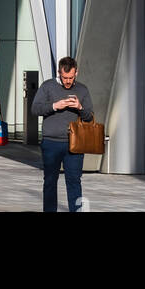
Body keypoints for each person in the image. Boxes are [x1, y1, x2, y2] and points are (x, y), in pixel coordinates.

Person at [30, 56, 94, 212]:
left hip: (74, 144)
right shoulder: (47, 86)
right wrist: (54, 105)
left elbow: (89, 117)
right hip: (51, 143)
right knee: (50, 181)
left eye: (71, 77)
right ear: (59, 73)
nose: (67, 81)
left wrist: (79, 107)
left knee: (74, 182)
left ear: (76, 73)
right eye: (64, 77)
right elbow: (35, 109)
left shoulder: (82, 89)